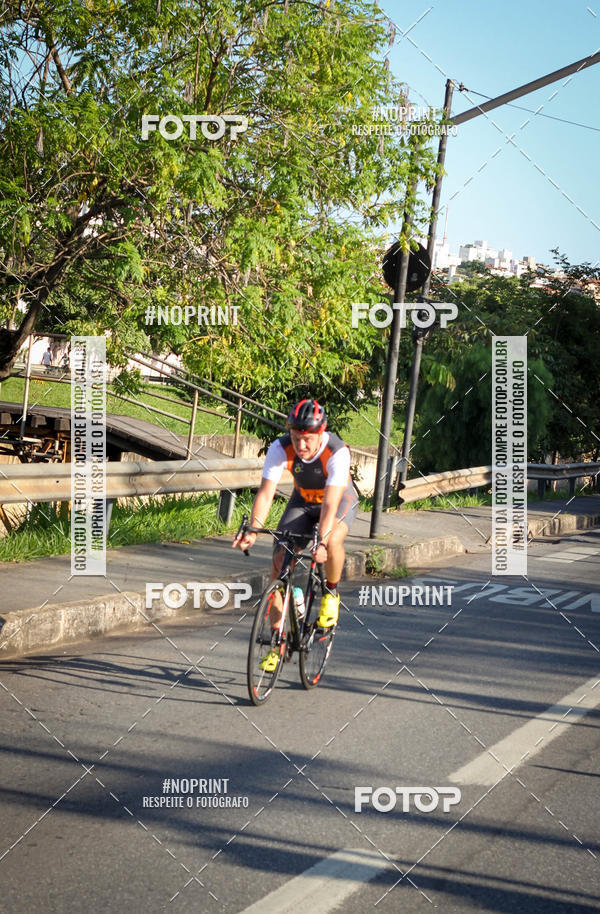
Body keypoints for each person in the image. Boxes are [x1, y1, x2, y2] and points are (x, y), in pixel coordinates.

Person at [233, 398, 358, 671]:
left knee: (332, 540)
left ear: (320, 433)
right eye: (295, 437)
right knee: (278, 564)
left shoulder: (336, 451)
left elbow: (330, 505)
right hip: (302, 502)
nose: (301, 446)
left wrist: (321, 542)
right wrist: (253, 530)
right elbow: (266, 492)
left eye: (307, 439)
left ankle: (331, 593)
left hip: (337, 501)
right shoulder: (280, 448)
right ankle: (277, 643)